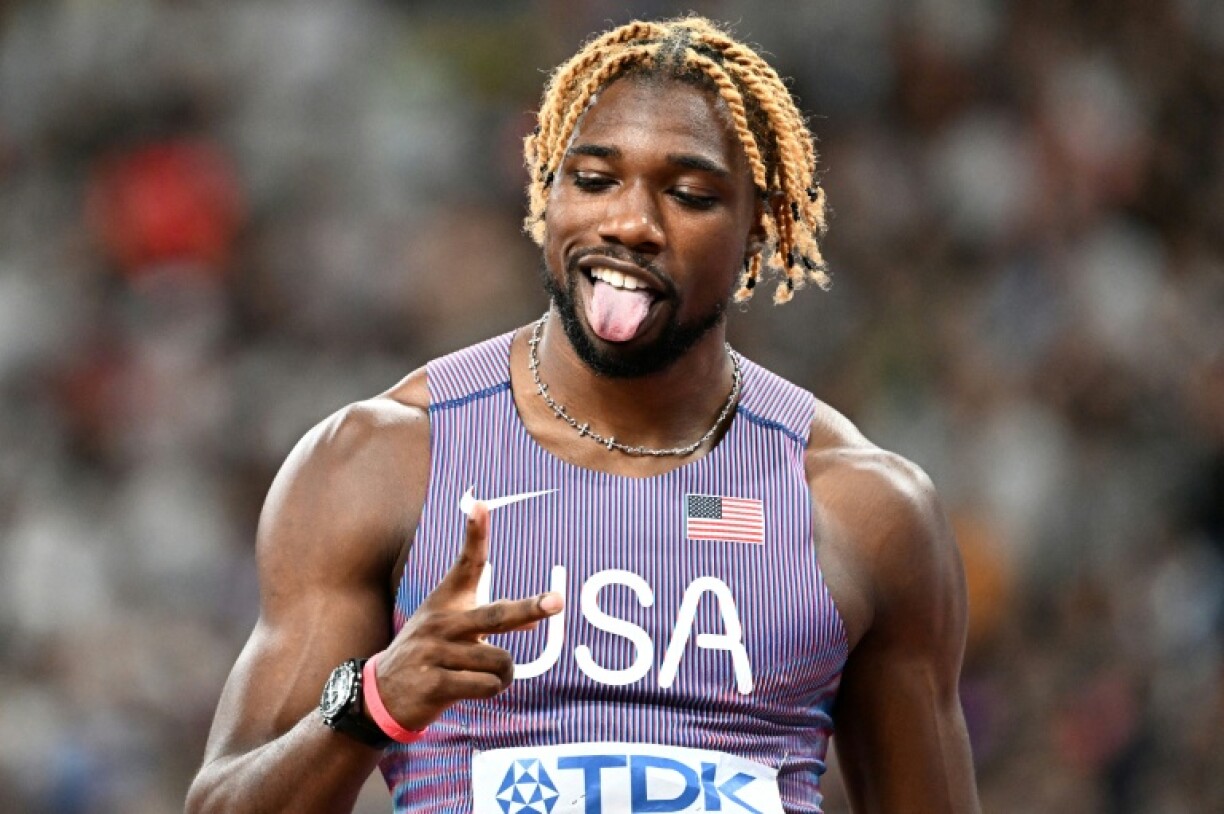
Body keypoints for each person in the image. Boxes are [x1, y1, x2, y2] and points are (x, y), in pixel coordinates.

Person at [187, 16, 980, 814]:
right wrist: (372, 702)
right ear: (547, 194)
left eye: (690, 194)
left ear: (759, 228)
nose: (631, 223)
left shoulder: (866, 508)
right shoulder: (381, 460)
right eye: (595, 180)